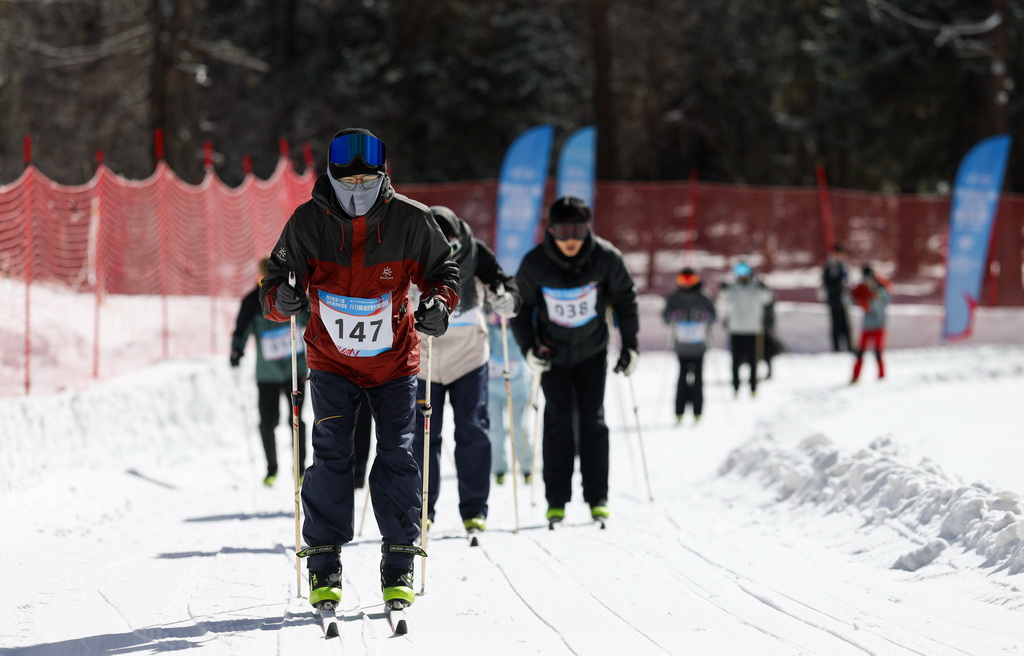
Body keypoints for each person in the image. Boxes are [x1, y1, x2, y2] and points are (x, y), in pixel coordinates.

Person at [259, 128, 460, 612]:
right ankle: (324, 562)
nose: (356, 191)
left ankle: (398, 561)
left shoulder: (411, 220)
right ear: (330, 177)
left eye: (366, 180)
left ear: (383, 176)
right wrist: (281, 298)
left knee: (397, 454)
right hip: (330, 361)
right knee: (330, 453)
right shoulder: (308, 222)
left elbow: (444, 272)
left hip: (394, 363)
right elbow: (276, 281)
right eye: (346, 182)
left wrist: (438, 304)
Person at [510, 196, 639, 526]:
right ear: (551, 231)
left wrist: (631, 346)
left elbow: (625, 299)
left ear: (588, 229)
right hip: (552, 356)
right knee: (558, 420)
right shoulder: (535, 263)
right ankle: (556, 500)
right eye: (563, 232)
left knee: (592, 421)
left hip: (592, 353)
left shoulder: (606, 258)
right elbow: (519, 308)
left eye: (578, 231)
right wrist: (529, 349)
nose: (570, 240)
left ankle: (598, 497)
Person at [413, 206, 520, 535]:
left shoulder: (475, 251)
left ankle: (474, 508)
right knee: (422, 436)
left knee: (472, 429)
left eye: (452, 243)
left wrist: (507, 300)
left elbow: (505, 283)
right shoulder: (409, 249)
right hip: (423, 358)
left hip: (468, 354)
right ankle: (421, 509)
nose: (446, 251)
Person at [230, 257, 309, 486]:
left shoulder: (294, 294)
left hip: (295, 368)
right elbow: (241, 329)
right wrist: (236, 350)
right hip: (268, 374)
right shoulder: (252, 301)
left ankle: (300, 469)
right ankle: (271, 469)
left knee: (295, 420)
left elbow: (311, 317)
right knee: (268, 422)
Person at [662, 267, 716, 425]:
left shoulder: (703, 296)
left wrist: (705, 316)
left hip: (699, 346)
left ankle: (697, 411)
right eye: (682, 280)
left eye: (689, 280)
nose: (686, 284)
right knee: (682, 379)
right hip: (682, 346)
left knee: (698, 380)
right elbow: (665, 316)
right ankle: (679, 411)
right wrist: (672, 315)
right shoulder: (674, 297)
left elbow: (713, 316)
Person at [486, 311, 533, 485]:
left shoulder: (517, 332)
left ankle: (527, 467)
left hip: (518, 390)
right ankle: (499, 468)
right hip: (492, 391)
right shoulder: (489, 332)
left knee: (519, 428)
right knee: (496, 431)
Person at [718, 261, 774, 397]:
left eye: (745, 272)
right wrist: (722, 288)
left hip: (753, 329)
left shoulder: (756, 287)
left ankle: (753, 386)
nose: (742, 275)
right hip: (736, 329)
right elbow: (723, 298)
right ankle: (736, 386)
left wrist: (764, 288)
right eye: (739, 272)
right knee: (735, 361)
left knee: (753, 360)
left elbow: (767, 299)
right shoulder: (733, 287)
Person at [850, 264, 891, 383]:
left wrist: (875, 291)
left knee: (878, 352)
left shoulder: (880, 286)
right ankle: (855, 377)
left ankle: (881, 377)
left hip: (879, 324)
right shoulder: (861, 288)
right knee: (860, 352)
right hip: (867, 325)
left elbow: (885, 298)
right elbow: (854, 298)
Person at [822, 244, 851, 352]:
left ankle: (849, 347)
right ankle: (836, 349)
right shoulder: (830, 267)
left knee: (846, 324)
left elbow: (847, 280)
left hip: (844, 299)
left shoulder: (843, 266)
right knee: (836, 325)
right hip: (834, 299)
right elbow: (828, 283)